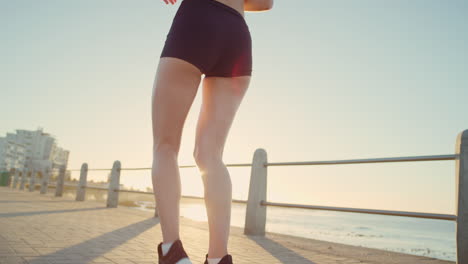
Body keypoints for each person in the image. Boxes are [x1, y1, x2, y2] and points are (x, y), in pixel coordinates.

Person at [151, 0, 273, 263]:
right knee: (211, 155)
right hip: (237, 33)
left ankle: (172, 252)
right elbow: (265, 3)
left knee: (166, 146)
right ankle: (219, 257)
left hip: (197, 18)